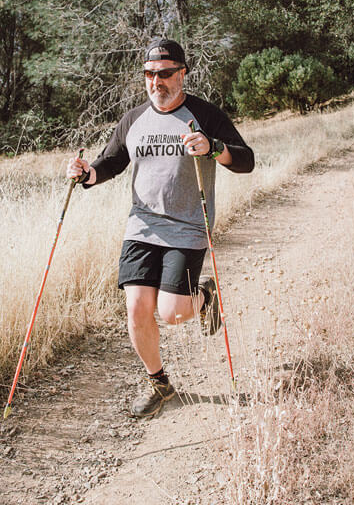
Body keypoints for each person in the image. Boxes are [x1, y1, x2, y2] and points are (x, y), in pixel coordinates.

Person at [66, 38, 255, 418]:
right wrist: (87, 174)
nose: (157, 82)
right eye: (150, 75)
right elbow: (112, 162)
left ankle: (203, 299)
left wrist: (214, 148)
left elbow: (246, 161)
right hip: (141, 225)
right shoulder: (133, 119)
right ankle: (160, 384)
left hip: (187, 226)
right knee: (137, 308)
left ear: (182, 73)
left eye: (166, 73)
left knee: (173, 314)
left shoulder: (205, 114)